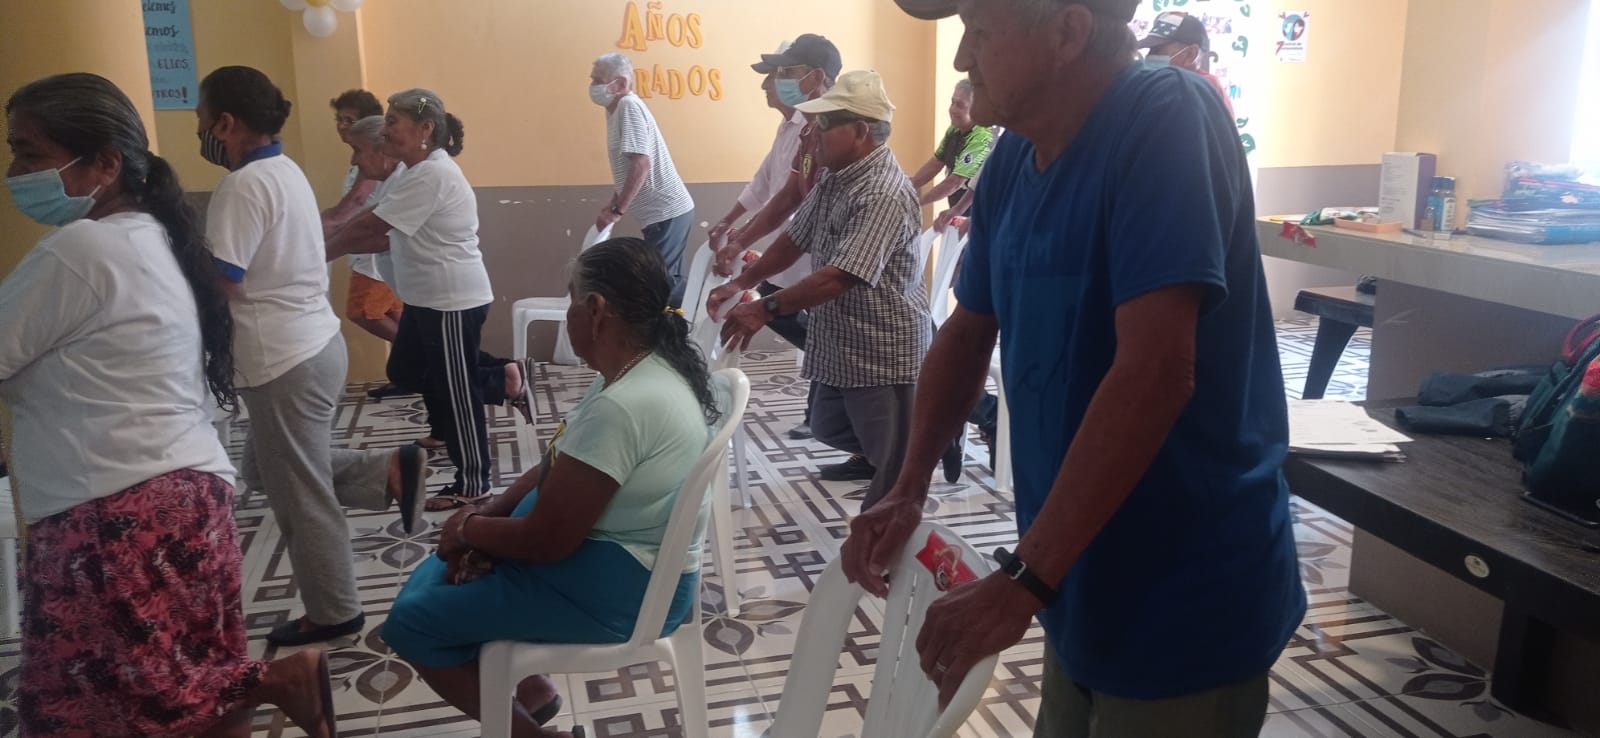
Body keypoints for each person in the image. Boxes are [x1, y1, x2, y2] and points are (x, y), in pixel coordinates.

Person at [844, 2, 1306, 736]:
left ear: (1067, 32)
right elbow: (966, 333)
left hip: (1183, 591)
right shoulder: (1011, 162)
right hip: (1073, 574)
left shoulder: (1166, 116)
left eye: (981, 32)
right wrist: (908, 486)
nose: (963, 59)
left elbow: (1156, 372)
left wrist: (1021, 581)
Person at [3, 71, 339, 738]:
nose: (14, 173)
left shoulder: (80, 251)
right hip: (187, 497)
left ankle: (275, 679)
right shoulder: (156, 237)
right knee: (191, 688)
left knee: (95, 708)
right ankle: (266, 681)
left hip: (110, 513)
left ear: (105, 163)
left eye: (29, 154)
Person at [384, 238, 714, 738]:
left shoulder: (625, 405)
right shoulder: (632, 371)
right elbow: (555, 464)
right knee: (443, 574)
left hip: (624, 593)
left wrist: (470, 529)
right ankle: (532, 689)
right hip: (613, 565)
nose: (567, 310)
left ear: (595, 310)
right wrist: (487, 519)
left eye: (570, 298)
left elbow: (547, 541)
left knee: (412, 622)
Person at [198, 66, 428, 647]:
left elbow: (221, 281)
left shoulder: (241, 187)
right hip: (310, 347)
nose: (199, 129)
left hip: (284, 360)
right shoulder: (284, 170)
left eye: (201, 118)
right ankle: (389, 470)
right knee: (264, 470)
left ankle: (334, 611)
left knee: (300, 496)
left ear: (225, 123)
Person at [710, 70, 934, 511]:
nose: (813, 134)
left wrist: (765, 308)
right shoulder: (836, 175)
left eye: (825, 124)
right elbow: (795, 239)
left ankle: (890, 526)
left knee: (892, 474)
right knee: (827, 425)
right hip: (840, 341)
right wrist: (743, 281)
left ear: (860, 132)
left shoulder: (884, 192)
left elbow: (840, 275)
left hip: (880, 351)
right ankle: (907, 447)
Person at [326, 89, 518, 512]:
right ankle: (500, 377)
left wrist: (316, 254)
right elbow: (369, 223)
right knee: (406, 367)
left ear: (425, 129)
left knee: (457, 393)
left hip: (451, 300)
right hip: (425, 299)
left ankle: (474, 483)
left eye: (393, 122)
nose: (386, 130)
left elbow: (373, 230)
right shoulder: (414, 173)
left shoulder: (433, 174)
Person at [707, 34, 843, 441]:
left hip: (845, 262)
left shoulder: (833, 130)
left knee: (901, 362)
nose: (773, 83)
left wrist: (746, 255)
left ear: (816, 78)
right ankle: (827, 415)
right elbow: (780, 192)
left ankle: (984, 414)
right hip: (810, 249)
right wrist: (738, 238)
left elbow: (800, 204)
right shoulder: (804, 132)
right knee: (828, 338)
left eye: (785, 72)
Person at [323, 89, 411, 401]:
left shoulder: (384, 168)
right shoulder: (364, 161)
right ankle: (413, 369)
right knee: (399, 317)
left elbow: (359, 211)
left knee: (363, 311)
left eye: (350, 120)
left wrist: (321, 247)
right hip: (379, 259)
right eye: (339, 119)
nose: (342, 126)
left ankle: (417, 359)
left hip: (376, 259)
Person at [590, 53, 696, 307]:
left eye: (598, 80)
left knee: (660, 285)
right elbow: (627, 168)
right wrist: (612, 203)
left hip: (667, 211)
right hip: (659, 214)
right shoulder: (615, 110)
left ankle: (706, 307)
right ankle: (688, 319)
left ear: (620, 83)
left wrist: (617, 211)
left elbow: (641, 164)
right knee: (664, 282)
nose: (592, 86)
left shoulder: (628, 106)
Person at [908, 79, 996, 210]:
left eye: (960, 105)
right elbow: (936, 163)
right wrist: (907, 186)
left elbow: (955, 182)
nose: (953, 109)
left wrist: (917, 203)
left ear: (977, 108)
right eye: (952, 102)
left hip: (977, 211)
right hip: (956, 207)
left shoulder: (982, 136)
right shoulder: (954, 129)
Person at [1140, 10, 1233, 114]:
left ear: (1190, 55)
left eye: (1157, 50)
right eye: (1150, 50)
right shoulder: (1154, 85)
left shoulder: (1203, 90)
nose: (1148, 57)